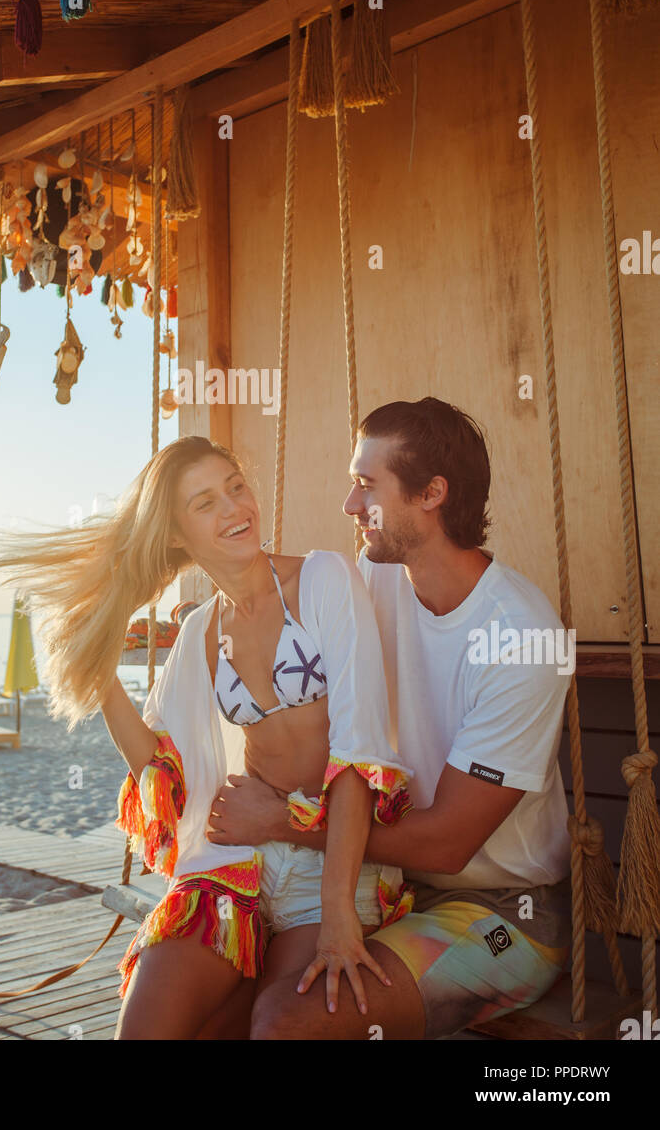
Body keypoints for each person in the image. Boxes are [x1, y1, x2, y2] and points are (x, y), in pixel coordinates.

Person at [0, 435, 413, 1040]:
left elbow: (361, 754)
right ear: (177, 534)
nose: (234, 508)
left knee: (274, 1028)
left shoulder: (323, 581)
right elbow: (160, 766)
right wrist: (97, 672)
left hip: (329, 869)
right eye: (205, 502)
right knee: (149, 1027)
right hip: (236, 866)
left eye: (236, 487)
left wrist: (340, 911)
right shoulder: (201, 633)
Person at [207, 398, 573, 1041]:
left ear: (432, 494)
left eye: (367, 486)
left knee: (290, 1024)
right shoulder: (370, 585)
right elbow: (264, 597)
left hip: (497, 917)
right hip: (379, 881)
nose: (350, 505)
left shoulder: (521, 634)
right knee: (204, 1004)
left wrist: (283, 820)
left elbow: (447, 845)